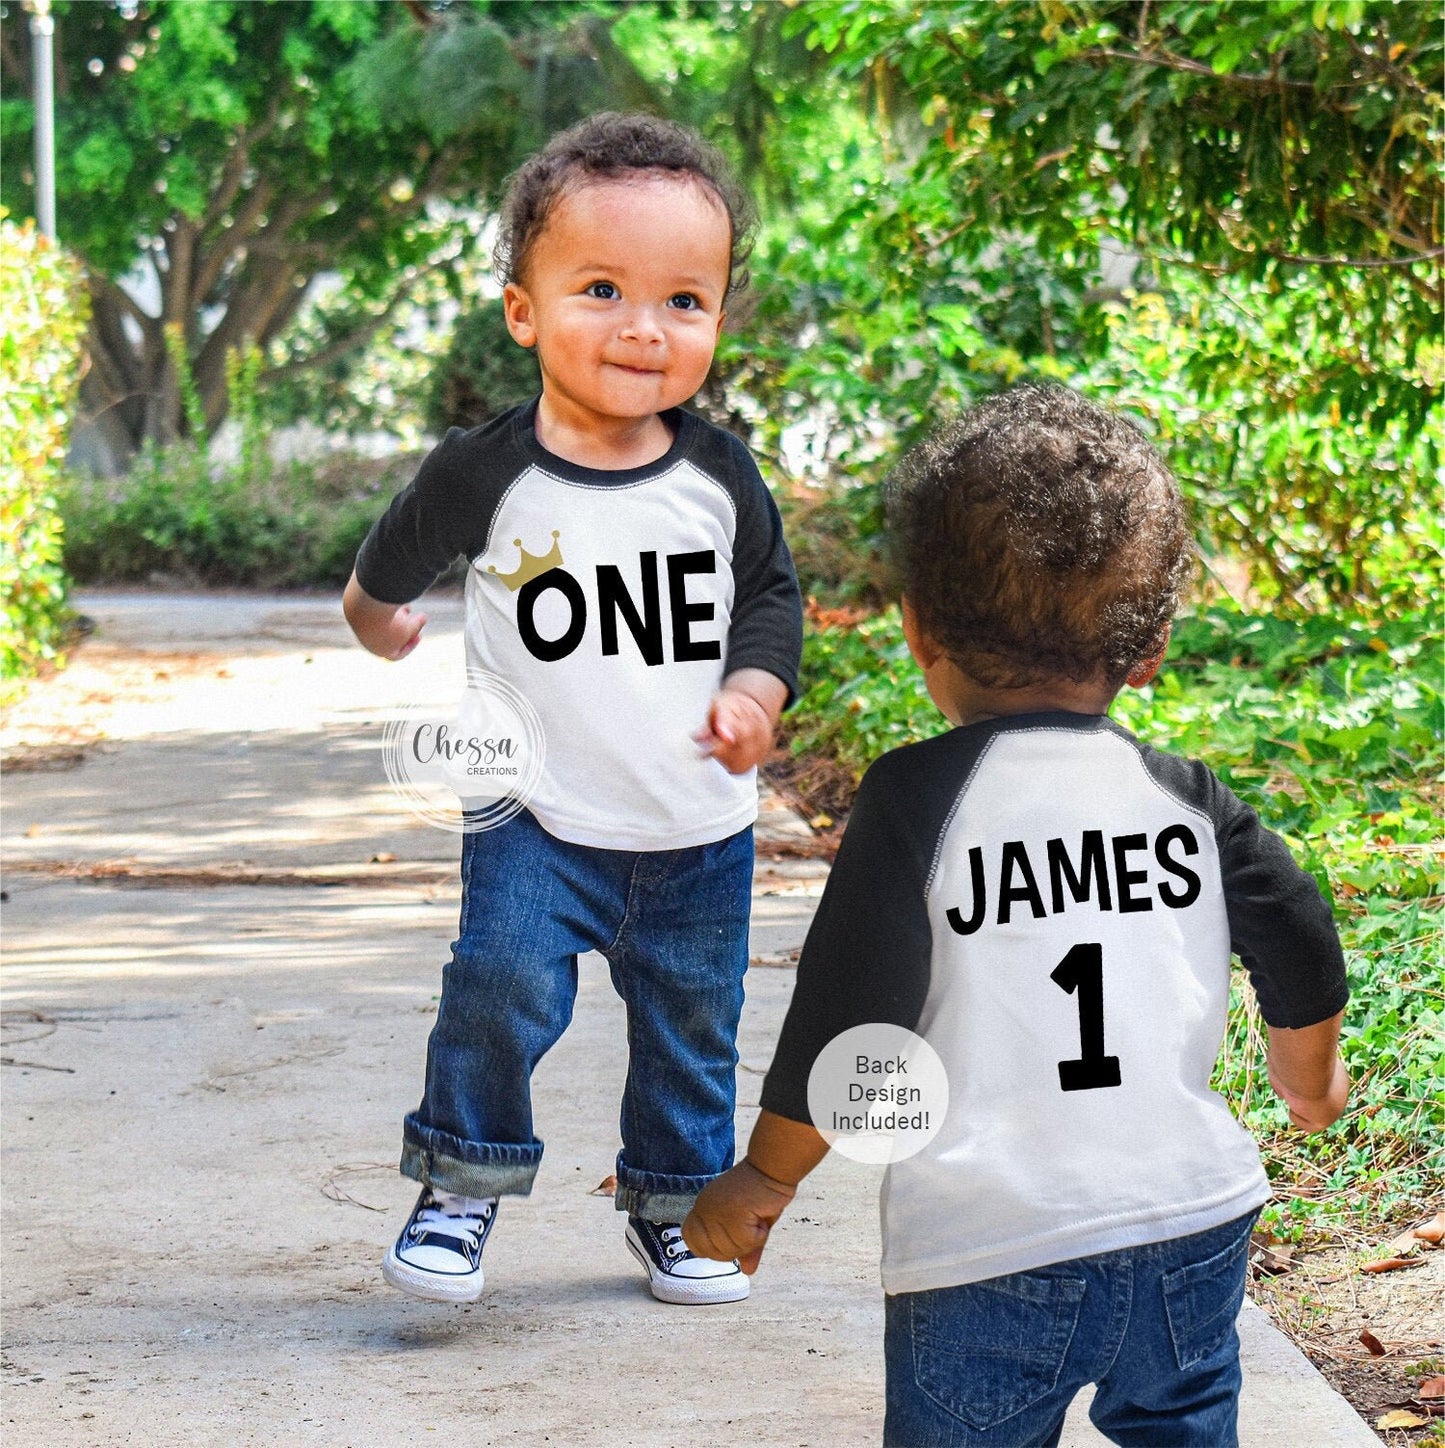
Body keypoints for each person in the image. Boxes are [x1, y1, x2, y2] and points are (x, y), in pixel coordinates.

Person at [683, 384, 1349, 1444]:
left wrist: (766, 1174)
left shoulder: (915, 801)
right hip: (1188, 1223)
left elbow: (854, 1020)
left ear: (916, 632)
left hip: (990, 1248)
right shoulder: (1187, 797)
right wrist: (1305, 1077)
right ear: (1150, 645)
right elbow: (1300, 932)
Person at [343, 113, 802, 1307]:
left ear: (714, 317)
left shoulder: (720, 476)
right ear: (523, 310)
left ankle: (674, 1205)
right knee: (493, 987)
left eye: (683, 301)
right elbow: (388, 559)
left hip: (695, 825)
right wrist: (375, 616)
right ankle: (460, 1183)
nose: (644, 327)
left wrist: (754, 689)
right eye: (601, 289)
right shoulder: (484, 471)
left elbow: (767, 597)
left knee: (694, 1027)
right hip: (533, 817)